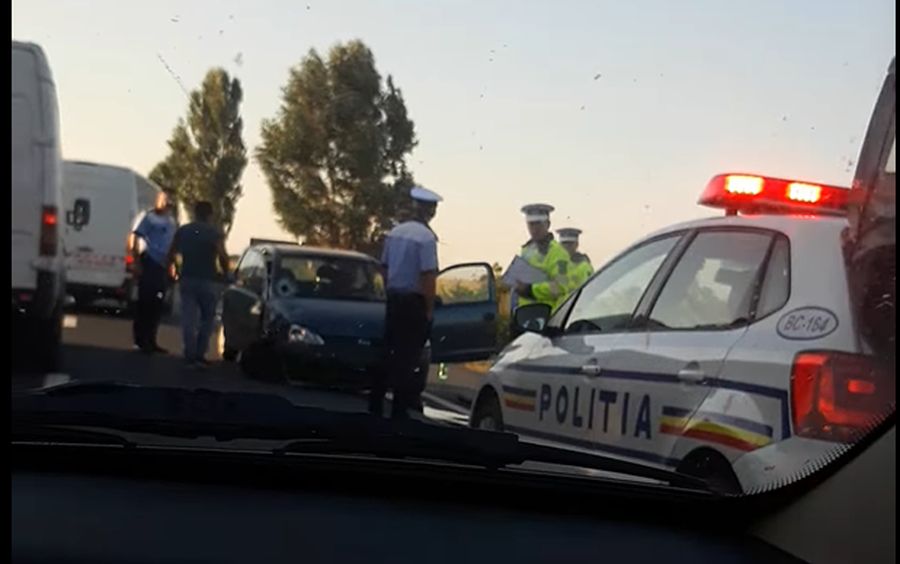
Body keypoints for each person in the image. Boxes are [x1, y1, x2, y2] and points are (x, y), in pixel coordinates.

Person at [371, 186, 442, 420]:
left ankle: (375, 405)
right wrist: (429, 310)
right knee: (408, 357)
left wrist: (390, 290)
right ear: (430, 211)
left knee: (387, 352)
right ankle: (399, 412)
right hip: (414, 304)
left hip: (393, 299)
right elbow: (428, 276)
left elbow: (384, 268)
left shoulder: (395, 232)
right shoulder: (426, 238)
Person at [166, 201, 230, 368]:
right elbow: (222, 255)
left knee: (189, 318)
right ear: (210, 215)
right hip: (208, 279)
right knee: (207, 319)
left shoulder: (183, 231)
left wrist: (174, 268)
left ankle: (189, 353)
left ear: (194, 213)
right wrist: (226, 273)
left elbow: (171, 253)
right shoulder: (213, 233)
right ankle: (200, 354)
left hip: (187, 277)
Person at [129, 192, 177, 354]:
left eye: (170, 201)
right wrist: (136, 261)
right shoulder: (148, 217)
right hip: (149, 261)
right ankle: (140, 340)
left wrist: (172, 264)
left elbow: (172, 245)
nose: (168, 203)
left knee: (157, 305)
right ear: (158, 200)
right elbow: (134, 238)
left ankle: (151, 339)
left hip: (162, 265)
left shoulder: (171, 221)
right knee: (145, 302)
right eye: (165, 200)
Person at [514, 204, 576, 311]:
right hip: (526, 314)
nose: (535, 229)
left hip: (549, 315)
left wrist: (531, 290)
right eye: (531, 224)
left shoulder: (559, 253)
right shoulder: (526, 251)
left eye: (538, 224)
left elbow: (561, 286)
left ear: (548, 224)